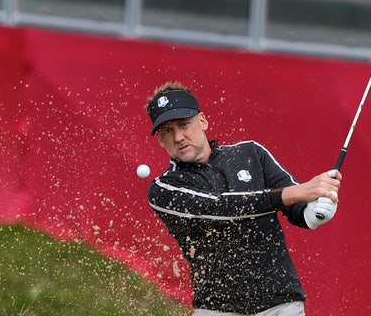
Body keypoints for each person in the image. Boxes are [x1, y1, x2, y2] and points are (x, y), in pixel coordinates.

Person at [144, 81, 342, 316]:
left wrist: (316, 209)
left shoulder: (250, 153)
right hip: (217, 309)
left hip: (280, 305)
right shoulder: (164, 188)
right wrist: (301, 192)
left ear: (203, 121)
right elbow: (221, 207)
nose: (178, 137)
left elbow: (296, 209)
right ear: (160, 140)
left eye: (184, 125)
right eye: (167, 131)